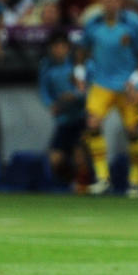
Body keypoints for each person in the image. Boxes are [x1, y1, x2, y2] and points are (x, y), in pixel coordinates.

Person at [75, 0, 138, 197]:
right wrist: (80, 72)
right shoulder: (93, 24)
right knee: (92, 123)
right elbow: (82, 50)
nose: (109, 3)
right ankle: (103, 179)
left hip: (126, 85)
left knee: (133, 130)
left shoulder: (133, 23)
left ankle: (135, 182)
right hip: (101, 83)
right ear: (101, 2)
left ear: (120, 2)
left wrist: (136, 79)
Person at [38, 31, 90, 191]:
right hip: (63, 121)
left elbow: (87, 91)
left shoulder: (76, 65)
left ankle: (83, 188)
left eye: (62, 46)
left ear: (68, 48)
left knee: (80, 156)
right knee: (55, 160)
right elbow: (44, 91)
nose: (59, 49)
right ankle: (71, 184)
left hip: (80, 118)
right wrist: (51, 105)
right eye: (56, 46)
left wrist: (74, 96)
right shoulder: (46, 66)